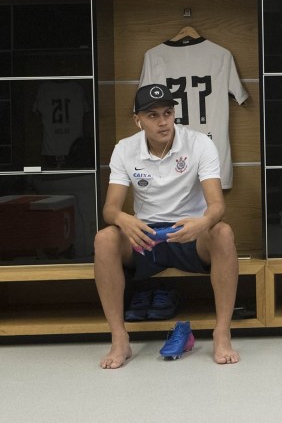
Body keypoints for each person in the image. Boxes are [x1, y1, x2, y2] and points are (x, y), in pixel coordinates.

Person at [94, 84, 240, 369]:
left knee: (223, 231)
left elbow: (217, 205)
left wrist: (203, 223)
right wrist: (125, 219)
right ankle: (119, 337)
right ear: (137, 119)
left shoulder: (199, 143)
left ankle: (222, 332)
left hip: (190, 234)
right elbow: (110, 209)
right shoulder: (124, 149)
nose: (162, 122)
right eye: (152, 115)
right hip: (145, 237)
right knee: (104, 238)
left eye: (168, 113)